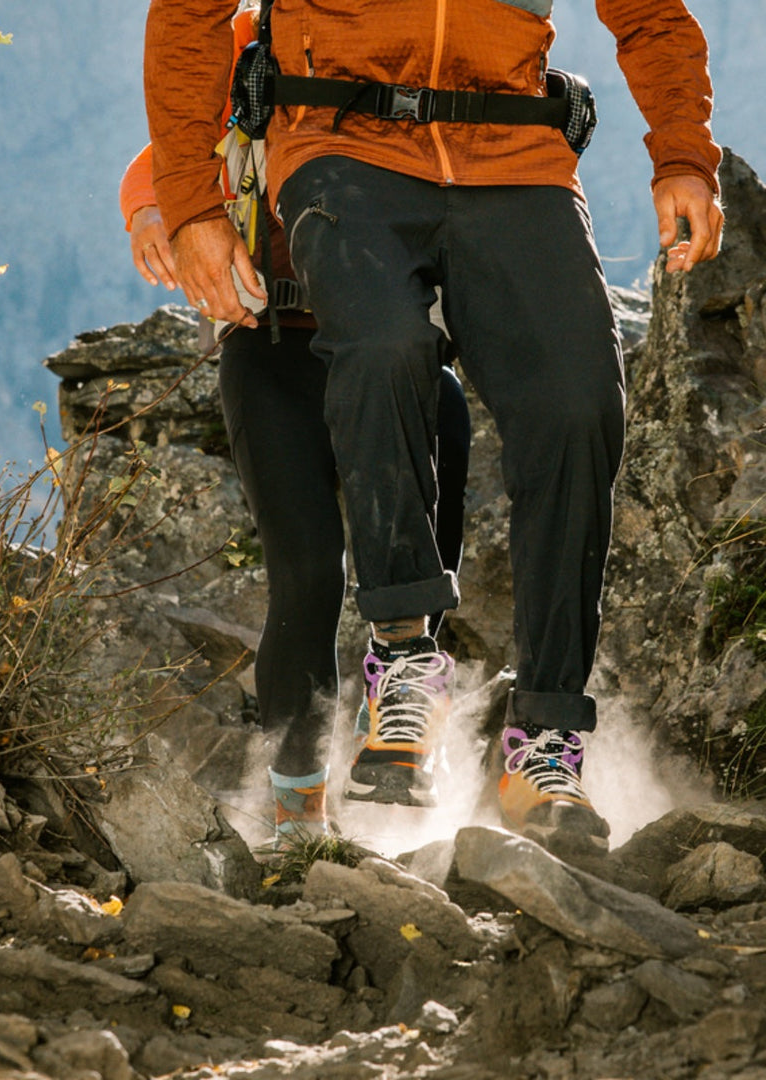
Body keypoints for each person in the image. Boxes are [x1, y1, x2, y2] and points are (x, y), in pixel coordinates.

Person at [143, 0, 724, 851]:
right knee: (383, 346)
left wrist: (683, 153)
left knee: (579, 402)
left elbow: (650, 12)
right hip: (340, 143)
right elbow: (189, 12)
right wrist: (189, 205)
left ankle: (546, 742)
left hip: (517, 154)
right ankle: (405, 658)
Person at [120, 7, 472, 840]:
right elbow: (161, 158)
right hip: (273, 345)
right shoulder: (253, 44)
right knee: (308, 572)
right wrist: (151, 215)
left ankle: (407, 725)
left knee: (421, 559)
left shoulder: (423, 35)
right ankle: (295, 803)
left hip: (396, 358)